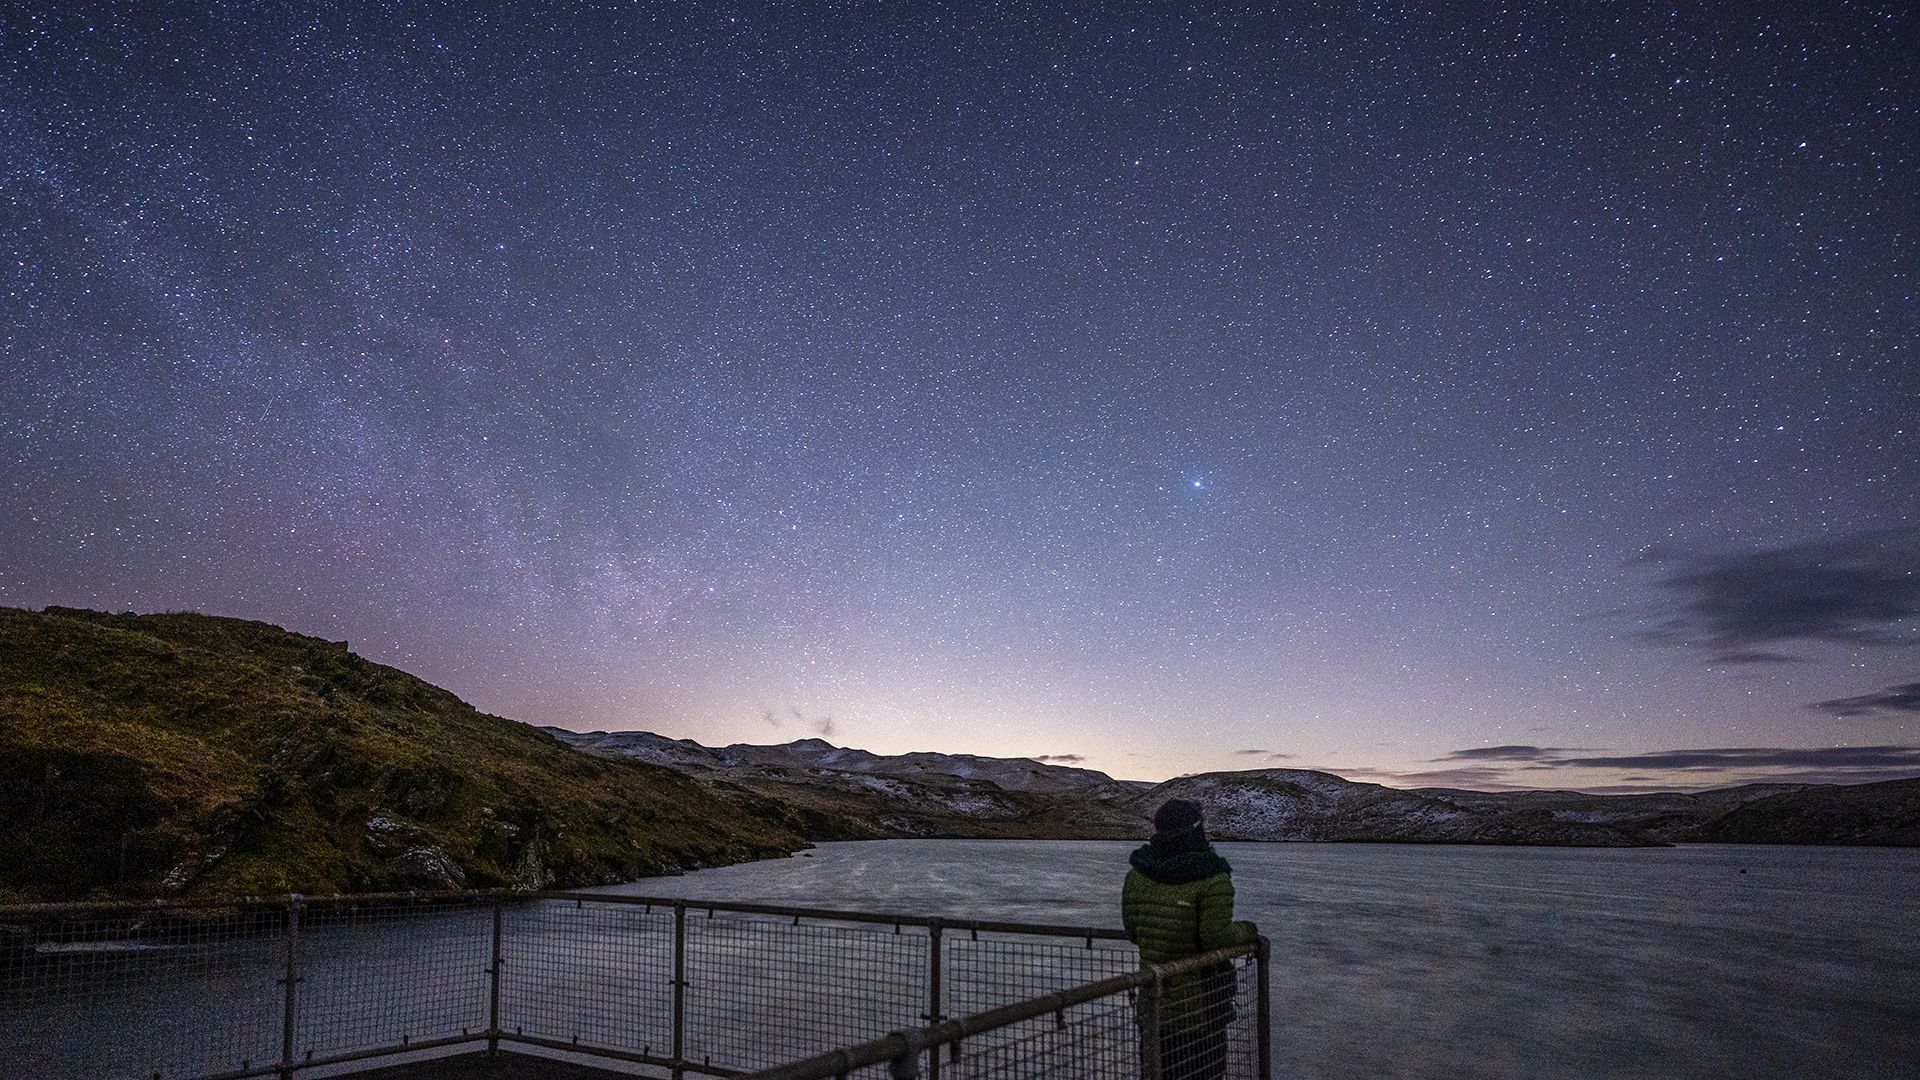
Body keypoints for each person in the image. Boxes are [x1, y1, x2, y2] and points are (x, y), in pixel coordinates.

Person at [1122, 799, 1259, 1080]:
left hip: (1154, 1002)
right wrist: (1248, 930)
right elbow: (1215, 937)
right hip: (1201, 1006)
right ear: (1197, 830)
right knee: (1204, 1073)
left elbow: (1134, 931)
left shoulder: (1137, 875)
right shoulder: (1212, 877)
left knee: (1157, 1072)